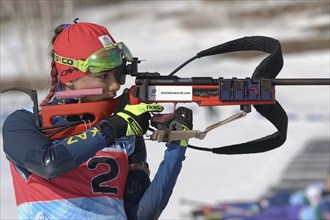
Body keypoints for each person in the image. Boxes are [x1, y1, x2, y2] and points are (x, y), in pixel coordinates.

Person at [2, 22, 193, 220]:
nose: (115, 85)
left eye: (117, 74)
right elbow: (49, 164)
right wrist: (113, 128)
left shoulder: (125, 131)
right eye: (103, 76)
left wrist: (176, 150)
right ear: (68, 77)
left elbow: (140, 215)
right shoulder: (25, 122)